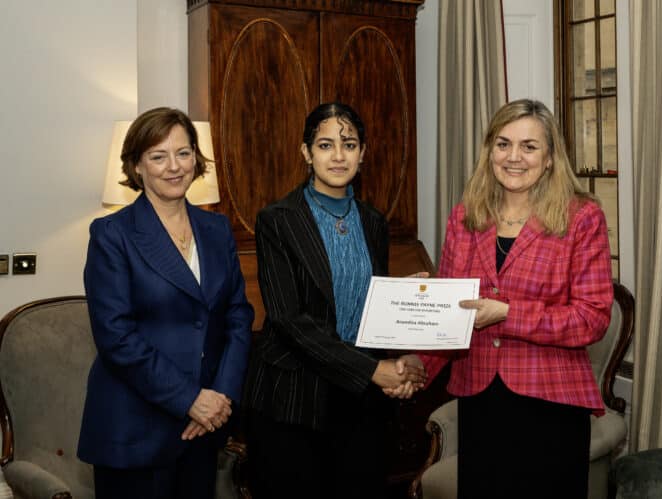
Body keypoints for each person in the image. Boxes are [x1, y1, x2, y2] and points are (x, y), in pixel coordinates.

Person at [405, 99, 613, 498]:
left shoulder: (582, 217)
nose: (514, 157)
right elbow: (450, 314)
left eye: (529, 146)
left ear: (550, 157)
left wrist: (507, 314)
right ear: (490, 151)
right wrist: (416, 364)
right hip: (481, 403)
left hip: (551, 402)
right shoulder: (466, 216)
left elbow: (592, 318)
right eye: (503, 144)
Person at [245, 102, 426, 499]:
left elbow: (368, 305)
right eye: (325, 145)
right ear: (306, 153)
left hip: (361, 403)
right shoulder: (277, 220)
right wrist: (372, 370)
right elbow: (290, 320)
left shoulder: (374, 221)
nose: (339, 155)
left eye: (349, 144)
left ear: (363, 153)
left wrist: (403, 310)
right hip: (294, 402)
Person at [78, 107, 254, 499]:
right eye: (158, 156)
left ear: (197, 158)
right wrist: (189, 398)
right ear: (137, 165)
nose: (174, 167)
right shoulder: (112, 234)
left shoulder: (216, 228)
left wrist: (221, 396)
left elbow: (239, 315)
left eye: (184, 153)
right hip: (135, 431)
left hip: (202, 428)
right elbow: (116, 337)